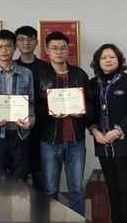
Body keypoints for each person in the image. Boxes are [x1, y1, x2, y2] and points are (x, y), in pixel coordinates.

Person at [34, 31, 92, 216]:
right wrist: (50, 112)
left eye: (63, 48)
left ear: (68, 50)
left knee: (77, 189)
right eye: (54, 48)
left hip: (76, 141)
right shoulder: (39, 75)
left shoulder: (79, 74)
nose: (59, 52)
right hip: (49, 142)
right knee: (50, 189)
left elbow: (91, 104)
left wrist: (82, 113)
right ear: (47, 50)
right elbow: (33, 106)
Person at [88, 44, 127, 223]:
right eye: (103, 57)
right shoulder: (93, 84)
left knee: (124, 188)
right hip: (102, 142)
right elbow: (89, 114)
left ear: (119, 60)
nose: (108, 60)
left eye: (112, 57)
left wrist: (117, 132)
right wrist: (95, 131)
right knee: (111, 188)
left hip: (124, 142)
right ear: (98, 61)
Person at [0, 30, 34, 180]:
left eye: (8, 46)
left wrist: (30, 121)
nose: (4, 50)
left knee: (20, 180)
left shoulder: (26, 73)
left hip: (20, 133)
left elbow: (31, 103)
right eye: (0, 47)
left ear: (15, 47)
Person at [15, 25, 47, 189]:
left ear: (36, 42)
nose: (26, 43)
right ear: (16, 43)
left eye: (30, 39)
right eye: (21, 39)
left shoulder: (46, 67)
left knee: (39, 172)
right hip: (17, 126)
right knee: (19, 172)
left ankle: (41, 204)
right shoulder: (11, 66)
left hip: (42, 127)